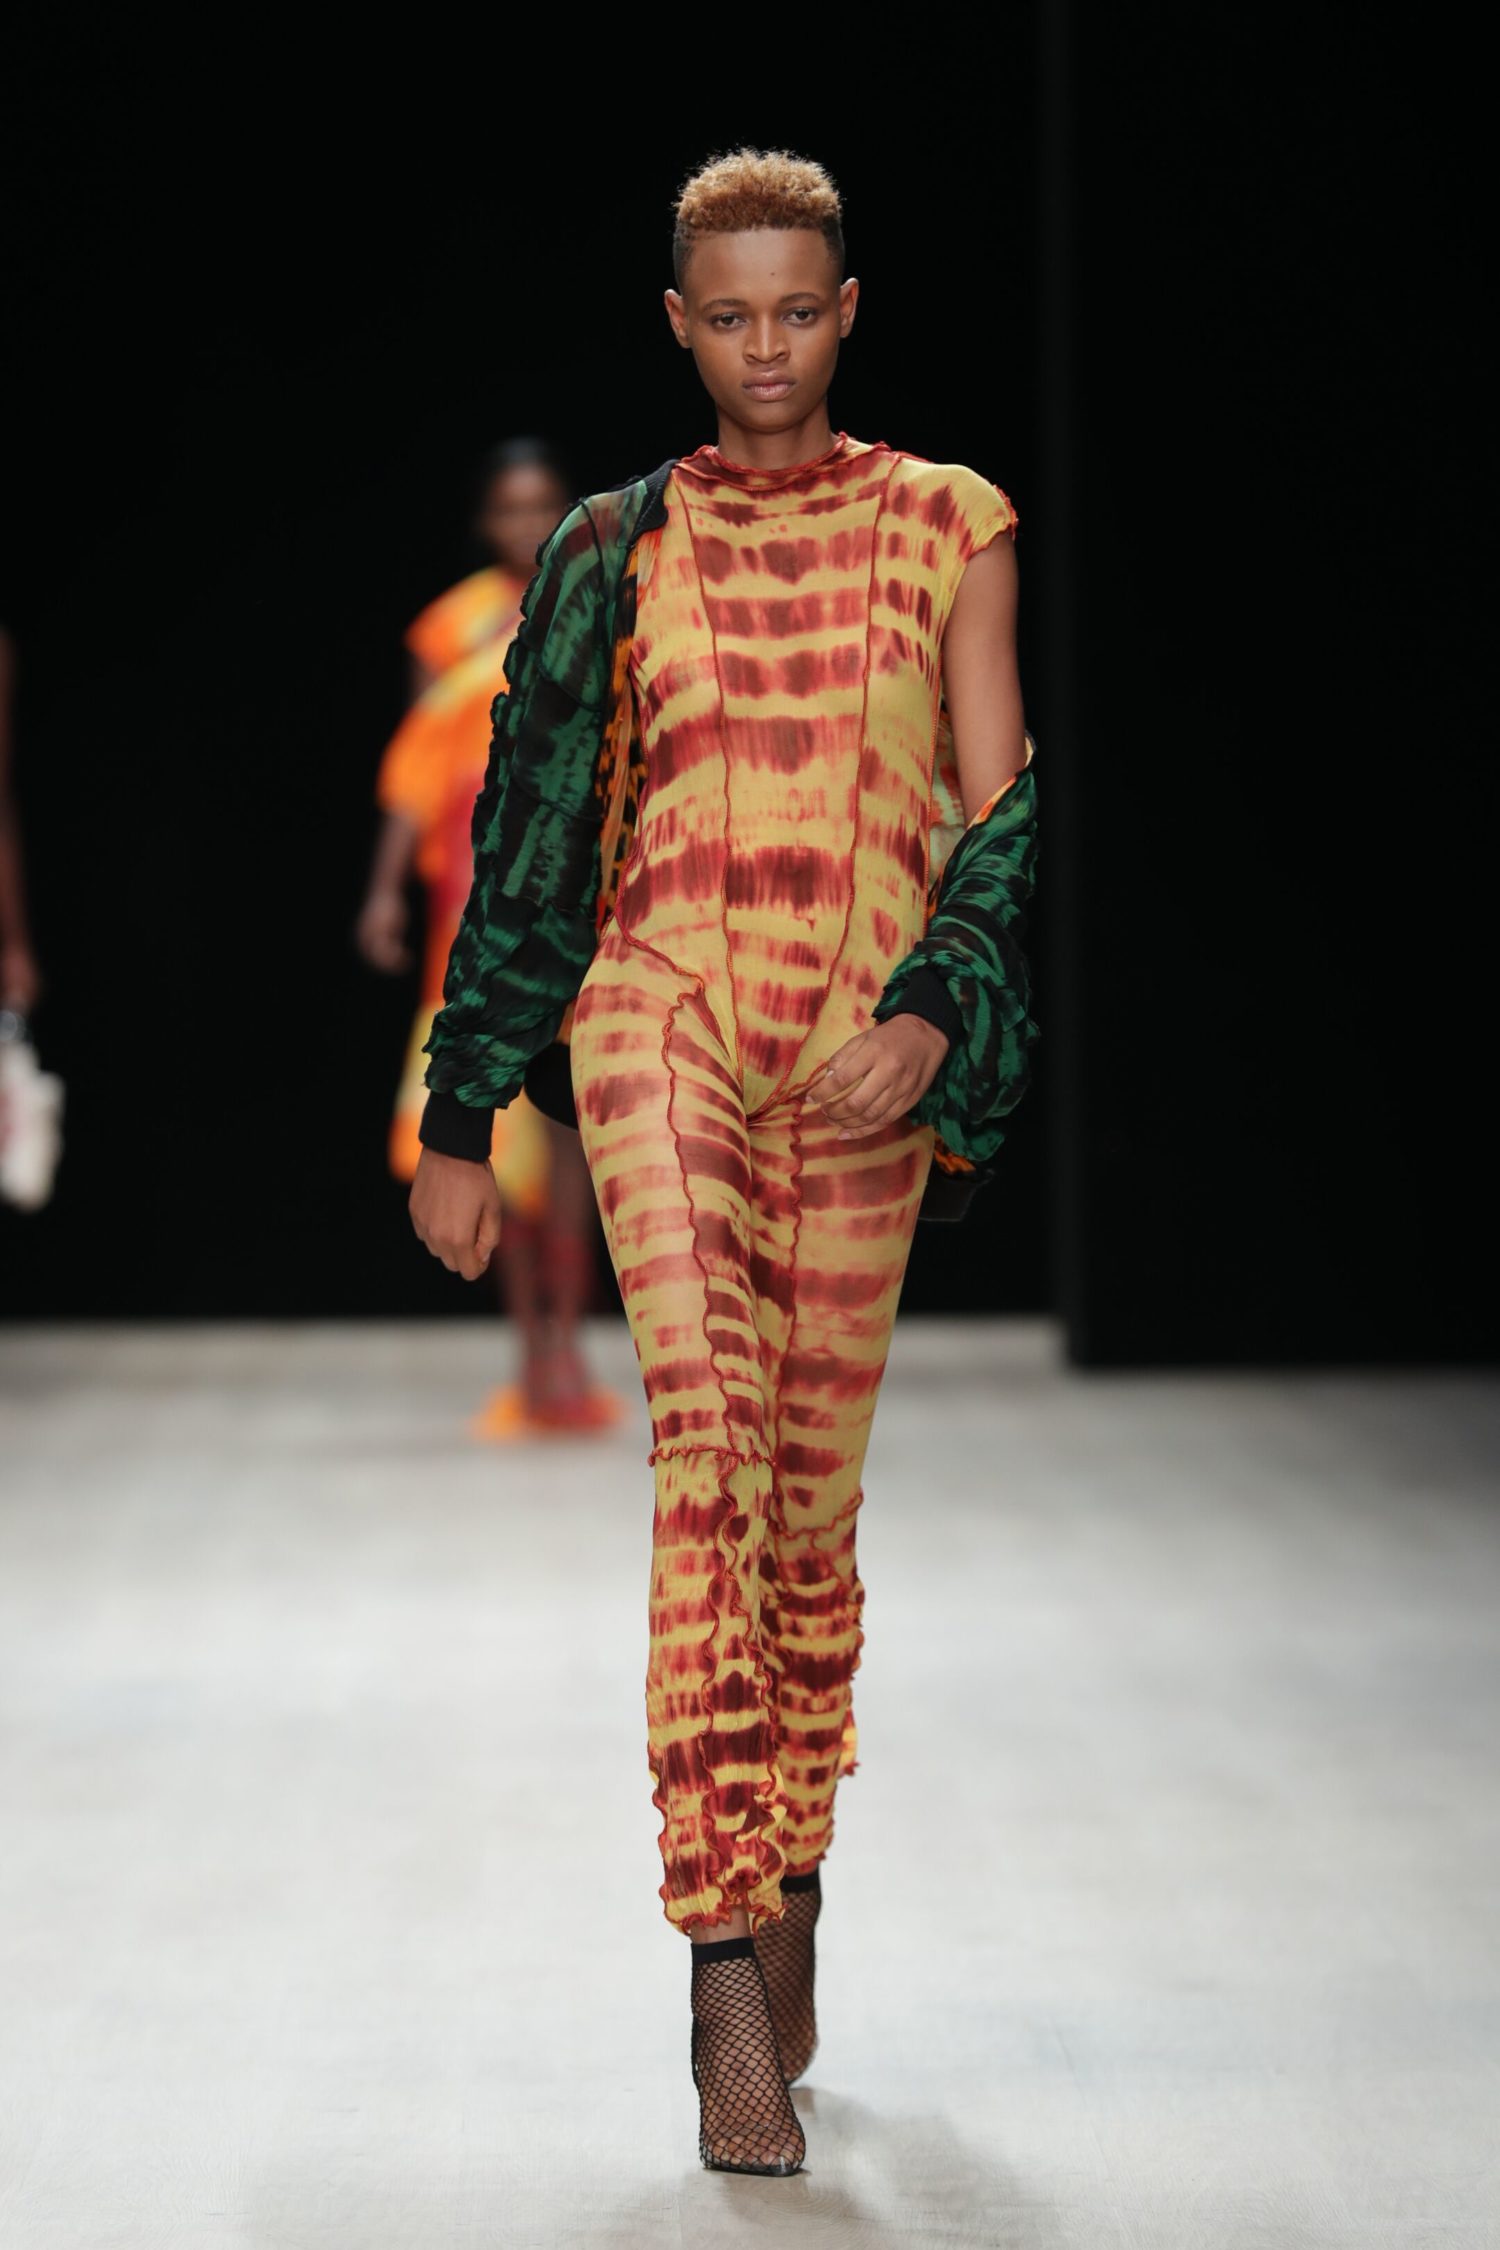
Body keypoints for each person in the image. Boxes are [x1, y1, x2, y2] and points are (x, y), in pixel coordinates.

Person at [407, 150, 1038, 2174]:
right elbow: (531, 830)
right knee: (708, 1453)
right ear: (681, 327)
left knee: (808, 1518)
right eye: (730, 315)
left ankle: (795, 1867)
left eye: (798, 309)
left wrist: (933, 1013)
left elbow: (1002, 809)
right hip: (657, 1019)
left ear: (847, 311)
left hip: (863, 1057)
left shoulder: (951, 524)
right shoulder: (615, 546)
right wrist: (459, 1111)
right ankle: (719, 1979)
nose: (767, 347)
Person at [357, 441, 623, 1433]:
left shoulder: (599, 604)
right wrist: (385, 891)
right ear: (485, 521)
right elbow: (418, 764)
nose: (526, 523)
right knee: (494, 1135)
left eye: (542, 504)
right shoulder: (451, 627)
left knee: (571, 1128)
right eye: (509, 508)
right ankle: (530, 1351)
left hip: (578, 894)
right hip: (474, 900)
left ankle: (571, 1344)